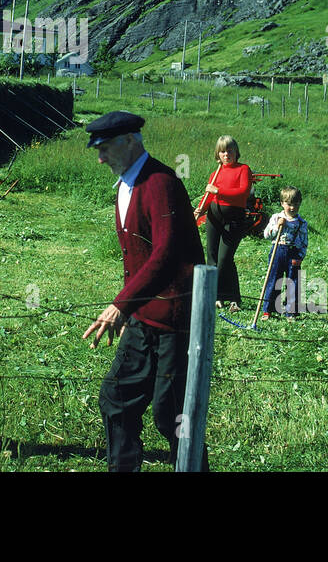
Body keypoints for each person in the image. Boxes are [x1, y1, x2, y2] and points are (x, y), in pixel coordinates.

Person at [82, 111, 208, 472]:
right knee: (116, 398)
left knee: (172, 416)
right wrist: (131, 308)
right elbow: (136, 259)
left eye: (105, 148)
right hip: (143, 317)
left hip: (175, 319)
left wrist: (120, 306)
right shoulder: (126, 185)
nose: (100, 158)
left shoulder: (160, 183)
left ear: (130, 141)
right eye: (98, 149)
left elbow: (165, 255)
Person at [195, 136, 252, 312]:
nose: (226, 154)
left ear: (236, 152)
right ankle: (216, 296)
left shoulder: (243, 169)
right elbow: (209, 197)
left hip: (234, 218)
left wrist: (218, 190)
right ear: (218, 154)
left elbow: (243, 192)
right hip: (213, 217)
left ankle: (234, 299)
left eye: (230, 150)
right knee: (212, 258)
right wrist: (199, 209)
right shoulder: (216, 173)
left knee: (225, 259)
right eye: (222, 151)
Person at [259, 186, 309, 320]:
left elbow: (304, 242)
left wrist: (300, 256)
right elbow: (266, 235)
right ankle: (268, 310)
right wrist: (277, 227)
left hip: (293, 254)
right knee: (274, 279)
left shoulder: (301, 223)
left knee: (293, 281)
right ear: (282, 203)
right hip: (277, 251)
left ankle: (290, 311)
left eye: (296, 204)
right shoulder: (276, 218)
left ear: (300, 203)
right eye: (289, 204)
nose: (292, 208)